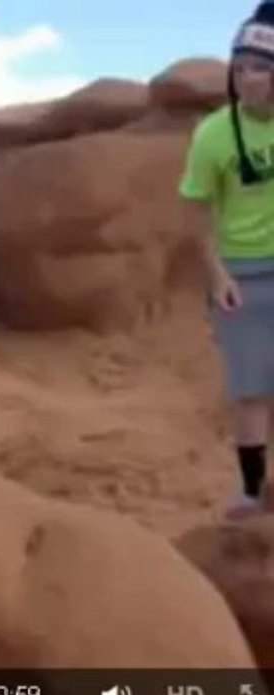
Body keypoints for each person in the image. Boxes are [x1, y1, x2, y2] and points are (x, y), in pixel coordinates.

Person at [180, 0, 274, 519]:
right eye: (239, 69)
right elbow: (194, 211)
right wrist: (216, 276)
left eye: (259, 69)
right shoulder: (214, 134)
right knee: (250, 390)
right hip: (241, 274)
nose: (246, 80)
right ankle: (252, 488)